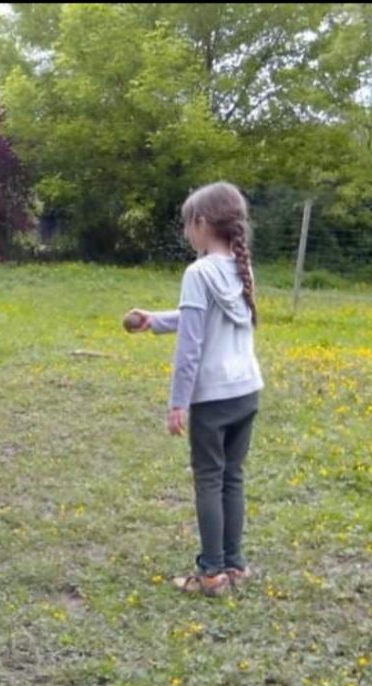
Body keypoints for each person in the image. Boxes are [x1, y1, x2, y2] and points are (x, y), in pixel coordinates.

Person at [126, 182, 264, 597]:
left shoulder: (198, 272)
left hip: (213, 396)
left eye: (188, 224)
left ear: (202, 224)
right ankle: (234, 564)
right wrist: (156, 320)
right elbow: (197, 320)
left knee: (208, 478)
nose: (187, 232)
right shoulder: (241, 268)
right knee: (231, 478)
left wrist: (177, 403)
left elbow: (191, 348)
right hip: (246, 391)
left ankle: (210, 574)